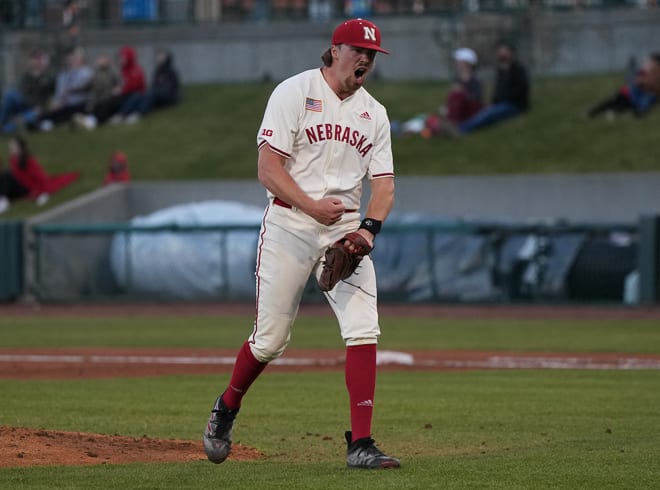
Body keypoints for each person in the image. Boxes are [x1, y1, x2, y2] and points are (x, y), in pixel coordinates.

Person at [202, 18, 400, 470]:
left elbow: (385, 186)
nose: (366, 59)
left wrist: (367, 229)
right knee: (270, 340)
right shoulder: (294, 92)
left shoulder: (375, 113)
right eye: (358, 50)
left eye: (372, 54)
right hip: (291, 222)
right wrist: (312, 207)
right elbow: (268, 170)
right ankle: (226, 407)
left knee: (363, 326)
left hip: (343, 229)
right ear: (334, 51)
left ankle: (361, 444)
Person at [452, 41, 530, 136]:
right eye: (500, 51)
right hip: (500, 103)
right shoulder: (501, 71)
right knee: (484, 112)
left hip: (514, 105)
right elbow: (497, 90)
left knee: (487, 115)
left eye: (504, 51)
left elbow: (520, 90)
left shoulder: (518, 70)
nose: (501, 53)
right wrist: (493, 103)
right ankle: (458, 126)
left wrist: (500, 102)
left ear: (511, 53)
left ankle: (460, 130)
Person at [0, 135, 80, 214]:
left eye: (13, 146)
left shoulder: (28, 160)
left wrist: (41, 191)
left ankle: (3, 201)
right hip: (19, 186)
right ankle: (3, 198)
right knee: (5, 176)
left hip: (27, 187)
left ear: (20, 147)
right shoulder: (13, 159)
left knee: (6, 175)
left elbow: (40, 176)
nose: (11, 149)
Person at [73, 45, 146, 129]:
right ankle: (89, 119)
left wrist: (121, 89)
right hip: (119, 96)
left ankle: (92, 121)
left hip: (130, 97)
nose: (121, 59)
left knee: (109, 103)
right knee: (105, 103)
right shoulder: (122, 70)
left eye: (123, 57)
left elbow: (135, 86)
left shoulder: (136, 70)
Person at [423, 47, 484, 137]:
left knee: (458, 94)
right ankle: (445, 124)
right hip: (456, 112)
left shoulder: (475, 80)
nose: (457, 63)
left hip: (470, 111)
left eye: (459, 61)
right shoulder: (457, 78)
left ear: (466, 63)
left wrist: (463, 92)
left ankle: (449, 126)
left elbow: (477, 99)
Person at [110, 48, 181, 125]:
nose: (159, 57)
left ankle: (139, 114)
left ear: (167, 57)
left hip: (167, 96)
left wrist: (161, 91)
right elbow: (154, 84)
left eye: (162, 56)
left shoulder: (171, 71)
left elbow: (172, 87)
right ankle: (122, 114)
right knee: (140, 95)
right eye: (159, 55)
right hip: (157, 93)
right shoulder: (158, 71)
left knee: (150, 93)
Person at [587, 54, 660, 119]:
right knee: (613, 103)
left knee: (619, 106)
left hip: (638, 97)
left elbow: (647, 84)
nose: (647, 63)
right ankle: (594, 113)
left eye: (650, 62)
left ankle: (606, 113)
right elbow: (637, 82)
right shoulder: (645, 71)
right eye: (649, 62)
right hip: (630, 94)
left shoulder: (653, 72)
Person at [0, 49, 55, 134]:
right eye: (35, 59)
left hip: (36, 109)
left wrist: (42, 108)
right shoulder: (26, 77)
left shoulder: (49, 79)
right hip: (23, 104)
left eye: (39, 59)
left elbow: (51, 98)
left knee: (22, 119)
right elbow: (20, 93)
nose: (36, 62)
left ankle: (6, 128)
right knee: (10, 95)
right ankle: (2, 122)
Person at [37, 46, 93, 131]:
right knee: (47, 114)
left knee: (72, 111)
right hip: (64, 105)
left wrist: (68, 92)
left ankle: (57, 122)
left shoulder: (86, 72)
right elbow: (58, 94)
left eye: (75, 57)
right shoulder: (62, 76)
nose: (71, 60)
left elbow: (83, 87)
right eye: (70, 58)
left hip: (79, 104)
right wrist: (56, 102)